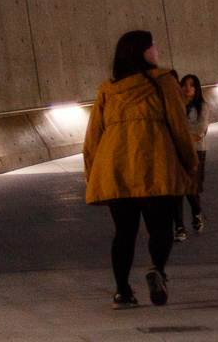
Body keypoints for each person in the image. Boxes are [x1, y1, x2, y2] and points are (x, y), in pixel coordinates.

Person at [84, 30, 197, 310]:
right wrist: (190, 161)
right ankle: (156, 269)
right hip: (155, 166)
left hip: (115, 170)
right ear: (141, 52)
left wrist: (94, 178)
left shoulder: (107, 91)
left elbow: (92, 139)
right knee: (161, 228)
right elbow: (179, 125)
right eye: (152, 46)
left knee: (124, 232)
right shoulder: (164, 82)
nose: (156, 49)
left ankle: (123, 292)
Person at [175, 74, 209, 239]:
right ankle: (179, 228)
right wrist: (187, 134)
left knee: (191, 189)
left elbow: (200, 128)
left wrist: (182, 133)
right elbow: (173, 127)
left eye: (192, 85)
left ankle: (196, 214)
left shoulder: (202, 106)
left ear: (197, 89)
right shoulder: (174, 107)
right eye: (185, 84)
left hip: (197, 152)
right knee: (177, 191)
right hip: (177, 152)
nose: (187, 88)